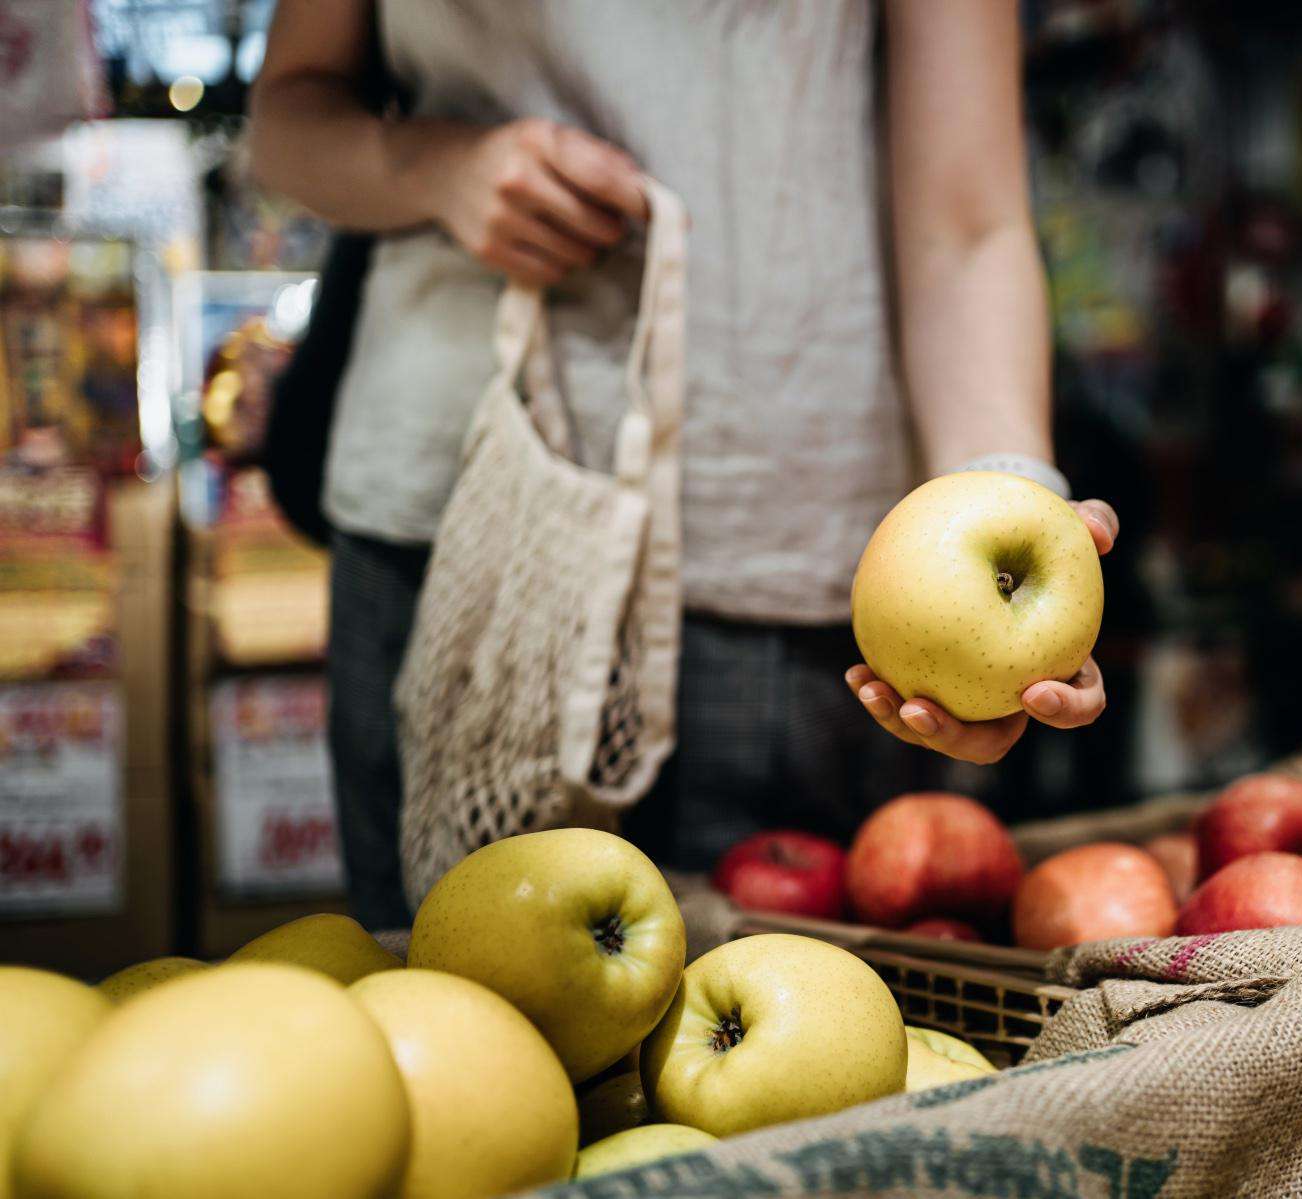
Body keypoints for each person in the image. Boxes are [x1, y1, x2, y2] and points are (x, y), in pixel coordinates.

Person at [249, 0, 1116, 931]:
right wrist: (440, 170)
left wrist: (1007, 487)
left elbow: (968, 225)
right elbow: (288, 117)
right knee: (444, 1015)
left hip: (785, 552)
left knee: (806, 1045)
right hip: (455, 535)